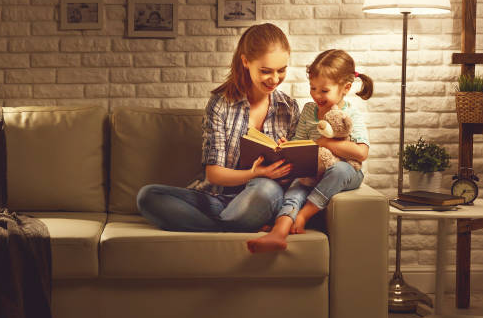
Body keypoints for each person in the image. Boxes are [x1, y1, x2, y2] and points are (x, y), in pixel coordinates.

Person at [137, 23, 300, 233]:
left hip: (261, 197)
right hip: (216, 199)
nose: (275, 79)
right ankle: (230, 226)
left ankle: (221, 226)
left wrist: (284, 165)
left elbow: (298, 177)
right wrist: (254, 172)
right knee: (148, 196)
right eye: (266, 71)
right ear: (245, 62)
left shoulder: (289, 108)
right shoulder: (221, 104)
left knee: (265, 188)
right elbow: (214, 175)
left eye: (282, 70)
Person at [246, 49, 374, 253]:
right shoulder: (308, 110)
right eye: (313, 88)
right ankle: (278, 233)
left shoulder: (350, 114)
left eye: (324, 91)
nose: (316, 95)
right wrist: (286, 147)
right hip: (313, 171)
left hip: (347, 171)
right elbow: (300, 141)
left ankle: (304, 215)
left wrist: (326, 143)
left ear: (346, 88)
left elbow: (361, 153)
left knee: (339, 170)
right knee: (297, 188)